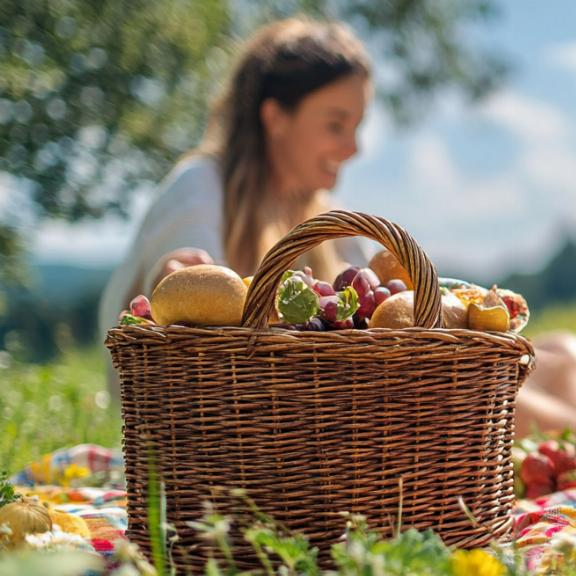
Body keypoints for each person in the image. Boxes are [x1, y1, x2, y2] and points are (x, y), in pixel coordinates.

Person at [98, 17, 374, 338]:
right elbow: (188, 337)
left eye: (356, 127)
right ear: (276, 118)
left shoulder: (325, 222)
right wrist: (169, 280)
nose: (353, 148)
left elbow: (374, 302)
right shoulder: (198, 188)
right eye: (335, 125)